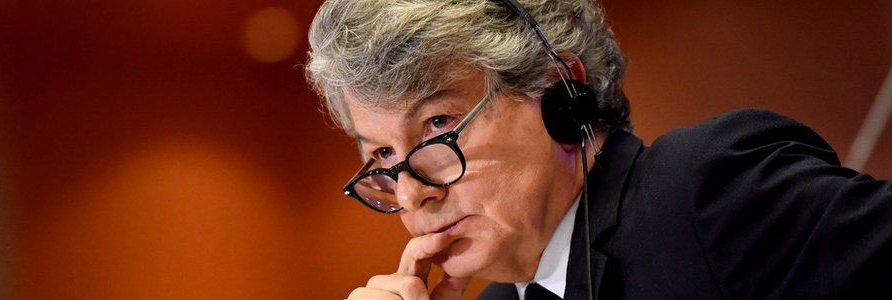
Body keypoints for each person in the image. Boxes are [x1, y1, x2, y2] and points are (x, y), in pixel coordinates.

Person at [303, 0, 892, 299]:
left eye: (437, 124)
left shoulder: (707, 192)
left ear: (561, 94)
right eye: (382, 155)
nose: (411, 192)